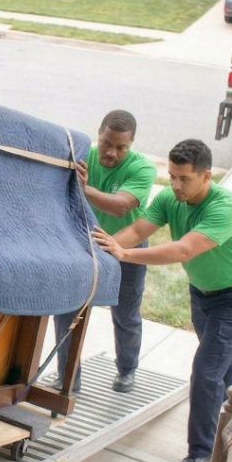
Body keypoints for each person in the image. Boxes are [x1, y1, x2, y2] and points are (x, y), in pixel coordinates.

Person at [91, 139, 232, 462]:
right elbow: (139, 229)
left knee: (207, 370)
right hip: (203, 295)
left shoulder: (225, 207)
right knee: (225, 360)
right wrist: (101, 244)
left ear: (206, 176)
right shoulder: (171, 198)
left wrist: (125, 255)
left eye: (184, 178)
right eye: (172, 176)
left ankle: (201, 452)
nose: (176, 185)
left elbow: (184, 250)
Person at [53, 110, 157, 393]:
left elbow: (121, 205)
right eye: (107, 143)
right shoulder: (84, 156)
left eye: (120, 147)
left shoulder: (143, 169)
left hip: (126, 247)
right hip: (83, 244)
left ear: (132, 144)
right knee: (67, 310)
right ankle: (68, 377)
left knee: (125, 313)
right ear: (99, 133)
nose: (111, 152)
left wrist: (84, 189)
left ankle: (127, 371)